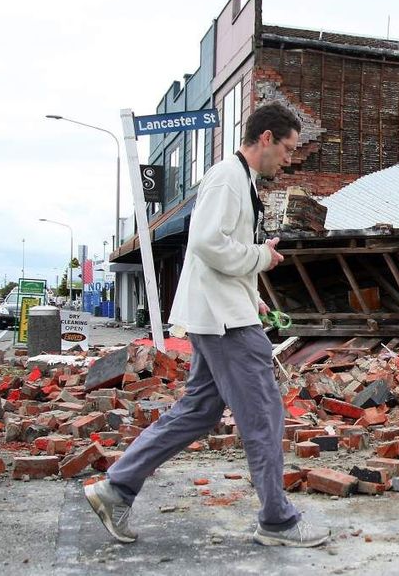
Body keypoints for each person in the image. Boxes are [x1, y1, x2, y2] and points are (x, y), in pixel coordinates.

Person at [84, 103, 330, 548]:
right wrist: (261, 257)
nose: (290, 160)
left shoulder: (239, 180)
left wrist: (251, 289)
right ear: (267, 138)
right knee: (264, 414)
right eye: (289, 149)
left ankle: (115, 490)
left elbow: (220, 250)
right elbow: (206, 242)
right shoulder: (228, 177)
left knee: (199, 411)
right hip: (224, 323)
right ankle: (277, 521)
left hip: (223, 312)